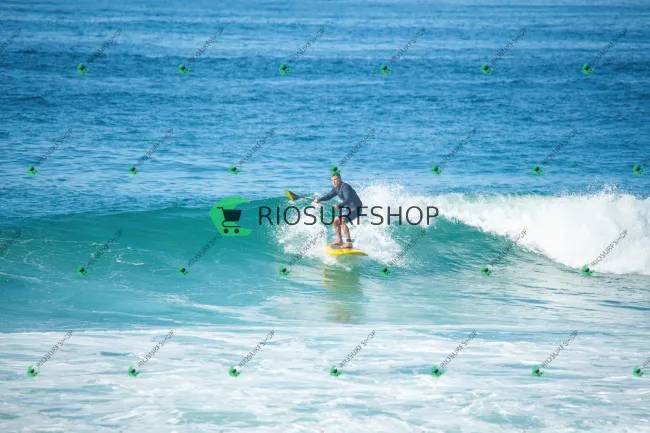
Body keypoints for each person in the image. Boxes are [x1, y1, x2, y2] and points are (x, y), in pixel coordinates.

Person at [313, 174, 363, 249]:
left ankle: (349, 243)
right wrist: (319, 200)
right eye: (332, 180)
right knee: (336, 220)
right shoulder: (336, 188)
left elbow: (348, 199)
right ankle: (339, 240)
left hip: (357, 208)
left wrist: (339, 206)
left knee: (342, 220)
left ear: (340, 179)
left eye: (335, 179)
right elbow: (329, 196)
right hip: (349, 208)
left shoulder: (345, 187)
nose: (333, 182)